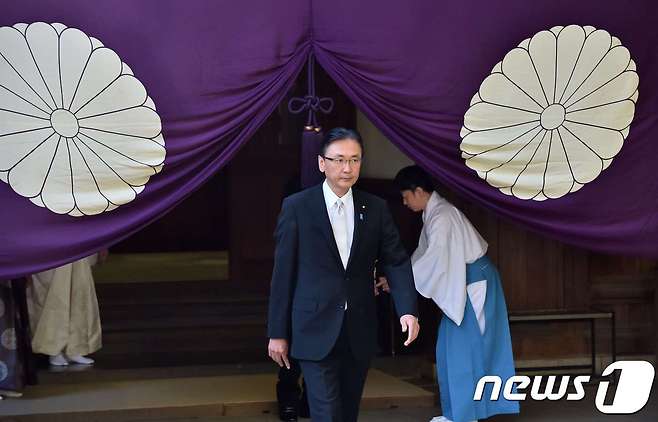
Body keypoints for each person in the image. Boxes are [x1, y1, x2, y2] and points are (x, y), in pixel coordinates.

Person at [267, 127, 420, 422]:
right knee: (327, 412)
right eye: (338, 160)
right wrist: (277, 332)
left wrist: (407, 311)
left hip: (358, 328)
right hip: (313, 327)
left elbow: (396, 260)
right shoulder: (297, 207)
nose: (346, 168)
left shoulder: (375, 208)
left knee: (348, 412)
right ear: (322, 163)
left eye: (354, 160)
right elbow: (283, 274)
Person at [391, 165, 519, 422]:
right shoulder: (435, 214)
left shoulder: (443, 216)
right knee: (452, 348)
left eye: (405, 196)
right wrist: (398, 279)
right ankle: (460, 413)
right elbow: (425, 256)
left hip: (474, 284)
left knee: (466, 348)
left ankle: (464, 415)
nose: (404, 202)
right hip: (467, 283)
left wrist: (400, 281)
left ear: (418, 191)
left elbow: (435, 258)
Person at [26, 252, 106, 367]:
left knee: (78, 293)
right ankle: (53, 349)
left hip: (76, 244)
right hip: (48, 245)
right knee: (52, 297)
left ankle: (75, 348)